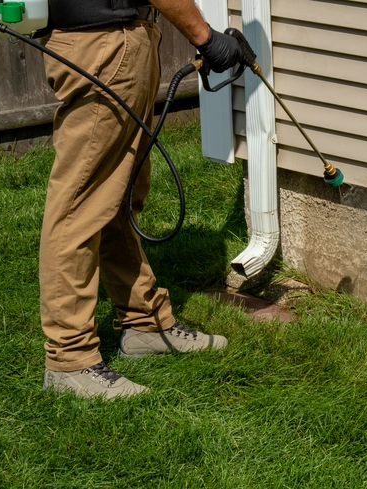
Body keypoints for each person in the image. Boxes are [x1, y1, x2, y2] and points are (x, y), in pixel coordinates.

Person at [40, 0, 241, 399]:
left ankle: (143, 323)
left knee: (115, 198)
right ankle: (70, 359)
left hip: (112, 42)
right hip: (103, 46)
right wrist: (205, 37)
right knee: (79, 206)